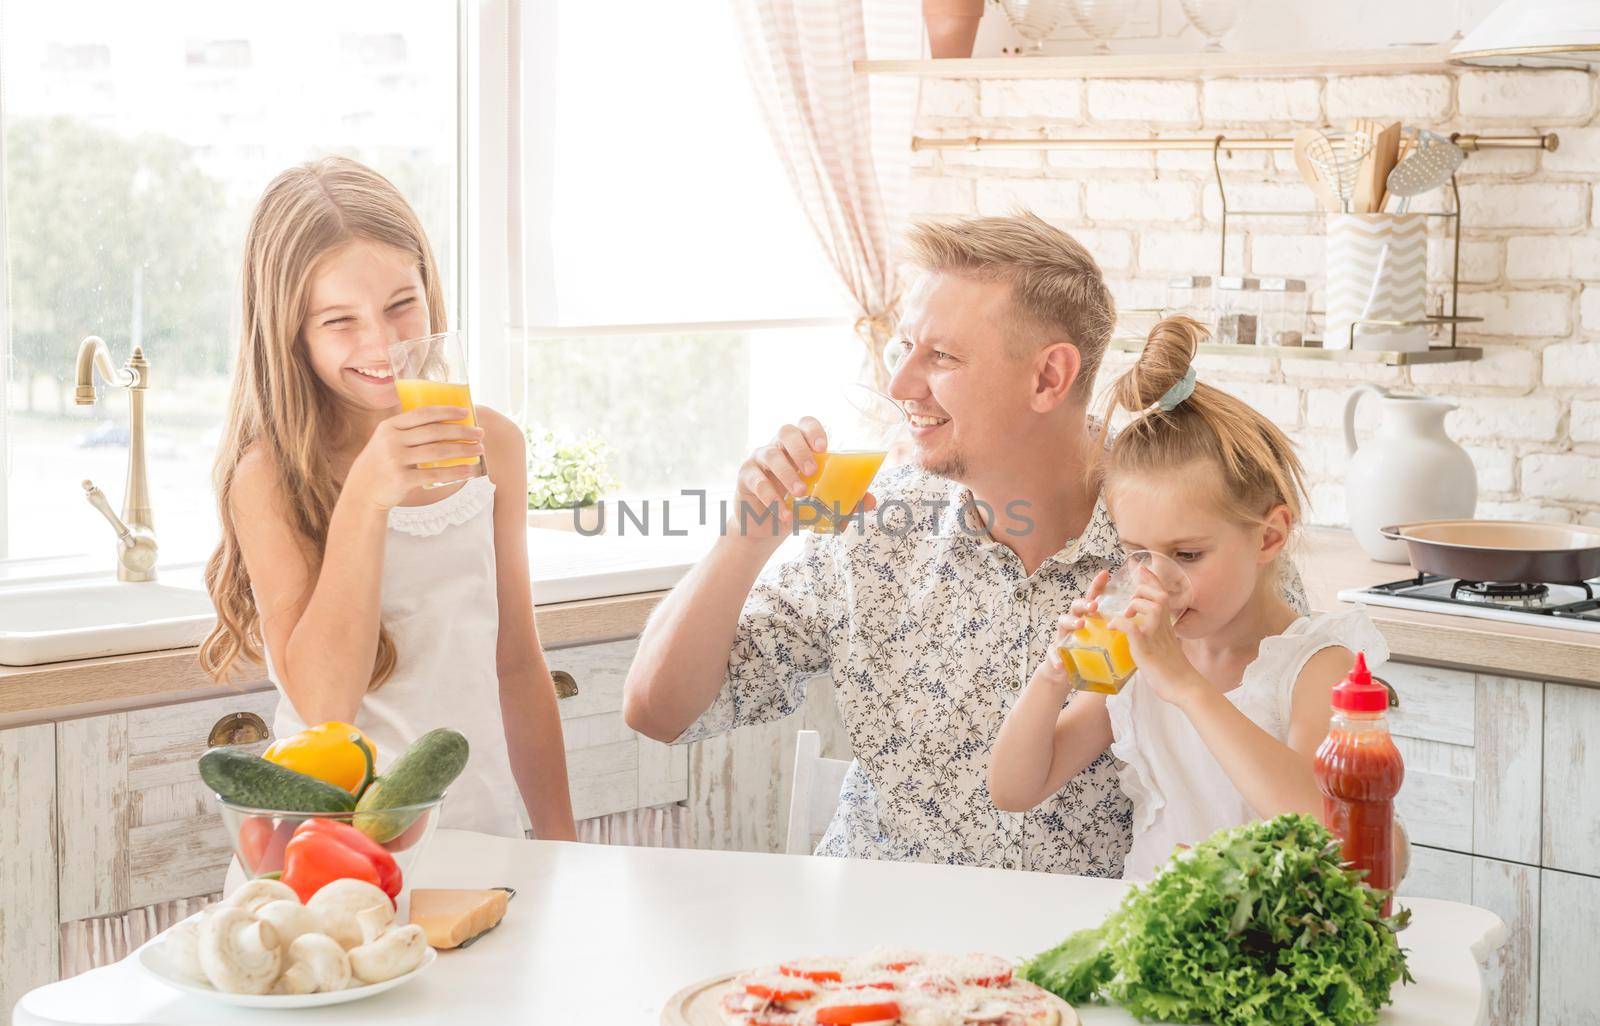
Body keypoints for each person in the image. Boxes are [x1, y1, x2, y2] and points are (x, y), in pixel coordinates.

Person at [624, 213, 1306, 875]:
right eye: (905, 348)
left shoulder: (1196, 553)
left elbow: (1283, 800)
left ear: (1049, 378)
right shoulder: (873, 528)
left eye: (941, 356)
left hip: (1084, 960)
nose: (899, 386)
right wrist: (748, 534)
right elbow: (659, 713)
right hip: (877, 940)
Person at [199, 155, 576, 841]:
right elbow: (323, 706)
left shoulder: (492, 445)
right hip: (332, 851)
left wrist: (561, 842)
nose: (382, 341)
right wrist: (368, 497)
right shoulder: (271, 476)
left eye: (402, 304)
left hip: (484, 834)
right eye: (339, 320)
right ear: (290, 335)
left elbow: (517, 664)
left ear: (430, 288)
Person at [988, 316, 1387, 880]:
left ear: (1268, 537)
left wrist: (1187, 687)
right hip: (1152, 931)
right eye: (1139, 554)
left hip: (1266, 948)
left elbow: (1326, 831)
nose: (1160, 579)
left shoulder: (1318, 667)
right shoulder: (1140, 659)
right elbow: (1014, 789)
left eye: (1190, 554)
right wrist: (1053, 676)